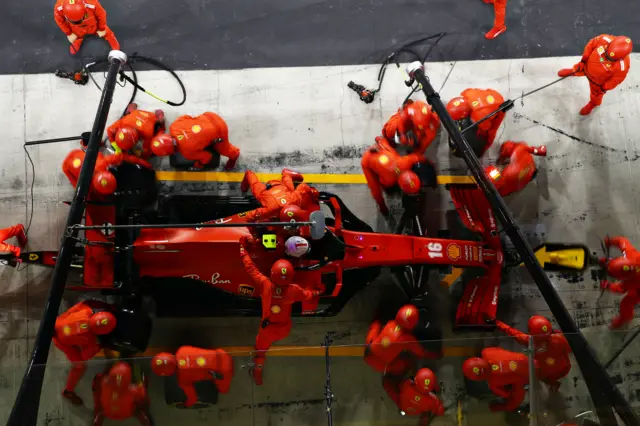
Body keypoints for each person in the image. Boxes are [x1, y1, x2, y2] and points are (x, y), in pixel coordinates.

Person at [239, 240, 324, 385]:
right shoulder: (294, 290)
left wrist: (242, 251)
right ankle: (257, 371)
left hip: (268, 330)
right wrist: (318, 292)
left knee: (260, 350)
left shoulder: (265, 285)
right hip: (284, 329)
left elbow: (250, 268)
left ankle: (258, 372)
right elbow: (308, 295)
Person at [53, 300, 117, 405]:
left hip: (58, 323)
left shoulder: (85, 311)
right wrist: (100, 346)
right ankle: (68, 391)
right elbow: (84, 356)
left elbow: (87, 301)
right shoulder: (89, 339)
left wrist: (107, 306)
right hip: (61, 341)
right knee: (80, 367)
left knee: (70, 314)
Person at [558, 35, 632, 116]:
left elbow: (616, 80)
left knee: (596, 95)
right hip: (585, 66)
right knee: (577, 69)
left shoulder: (622, 67)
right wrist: (583, 61)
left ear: (620, 58)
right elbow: (591, 45)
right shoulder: (603, 39)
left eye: (610, 58)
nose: (606, 57)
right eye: (606, 53)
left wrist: (604, 87)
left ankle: (593, 104)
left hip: (597, 83)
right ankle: (573, 72)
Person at [495, 316, 572, 392]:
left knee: (537, 374)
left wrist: (497, 323)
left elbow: (512, 332)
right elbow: (568, 350)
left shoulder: (529, 341)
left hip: (545, 374)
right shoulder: (559, 338)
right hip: (563, 369)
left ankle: (553, 384)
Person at [361, 137, 429, 217]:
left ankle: (379, 139)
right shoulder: (388, 182)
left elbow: (417, 157)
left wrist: (379, 139)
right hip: (368, 160)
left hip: (383, 150)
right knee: (378, 183)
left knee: (388, 150)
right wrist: (382, 207)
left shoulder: (404, 163)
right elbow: (375, 190)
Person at [365, 305, 439, 375]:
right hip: (381, 364)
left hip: (369, 351)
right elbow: (420, 352)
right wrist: (434, 354)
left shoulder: (390, 323)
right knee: (405, 364)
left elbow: (376, 326)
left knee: (375, 325)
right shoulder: (406, 338)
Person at [150, 112, 240, 170]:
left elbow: (207, 156)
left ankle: (234, 155)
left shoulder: (187, 152)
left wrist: (199, 165)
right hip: (210, 116)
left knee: (224, 149)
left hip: (220, 129)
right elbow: (187, 116)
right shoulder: (174, 126)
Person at [151, 346, 234, 407]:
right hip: (222, 353)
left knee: (224, 390)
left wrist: (186, 405)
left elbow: (192, 399)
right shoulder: (182, 350)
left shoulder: (182, 380)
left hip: (224, 372)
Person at [62, 148, 152, 197]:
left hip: (77, 154)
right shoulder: (102, 164)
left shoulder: (102, 164)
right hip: (75, 155)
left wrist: (142, 162)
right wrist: (142, 162)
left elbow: (120, 157)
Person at [462, 347, 530, 412]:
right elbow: (499, 349)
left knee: (512, 404)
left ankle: (496, 408)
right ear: (477, 359)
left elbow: (507, 394)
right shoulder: (486, 352)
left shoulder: (493, 384)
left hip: (525, 378)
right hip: (527, 357)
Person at [240, 169, 320, 223]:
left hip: (280, 187)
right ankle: (285, 173)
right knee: (253, 181)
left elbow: (303, 187)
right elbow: (251, 215)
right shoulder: (271, 210)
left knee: (250, 175)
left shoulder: (294, 200)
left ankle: (286, 173)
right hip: (266, 190)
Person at [446, 89, 506, 157]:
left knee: (488, 136)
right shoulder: (468, 94)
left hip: (498, 107)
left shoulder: (480, 117)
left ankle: (479, 153)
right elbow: (466, 91)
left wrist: (485, 147)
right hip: (493, 95)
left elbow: (486, 128)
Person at [92, 362, 152, 426]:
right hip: (127, 413)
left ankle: (97, 420)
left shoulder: (104, 383)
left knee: (100, 411)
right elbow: (142, 394)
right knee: (140, 407)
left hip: (108, 412)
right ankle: (146, 420)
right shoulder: (132, 390)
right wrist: (141, 382)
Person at [599, 236, 640, 329]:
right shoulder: (631, 254)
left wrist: (608, 286)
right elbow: (622, 241)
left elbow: (620, 289)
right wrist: (611, 241)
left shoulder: (632, 282)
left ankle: (625, 319)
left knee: (627, 302)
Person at [53, 0, 120, 55]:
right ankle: (77, 40)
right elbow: (59, 20)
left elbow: (102, 15)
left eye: (79, 20)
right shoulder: (59, 7)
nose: (78, 22)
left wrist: (101, 29)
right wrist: (69, 33)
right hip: (76, 29)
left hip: (93, 24)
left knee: (107, 32)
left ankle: (116, 49)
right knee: (74, 44)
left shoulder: (92, 3)